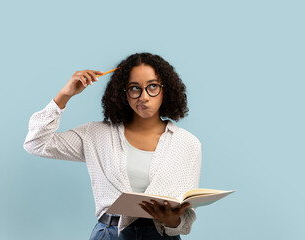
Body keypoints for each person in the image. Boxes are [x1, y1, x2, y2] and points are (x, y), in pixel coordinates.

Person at [23, 52, 202, 240]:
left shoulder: (188, 143)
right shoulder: (96, 135)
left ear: (166, 89)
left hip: (161, 235)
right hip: (110, 234)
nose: (144, 96)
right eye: (134, 88)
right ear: (123, 93)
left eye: (153, 86)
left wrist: (172, 221)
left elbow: (185, 219)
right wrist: (64, 95)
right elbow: (36, 143)